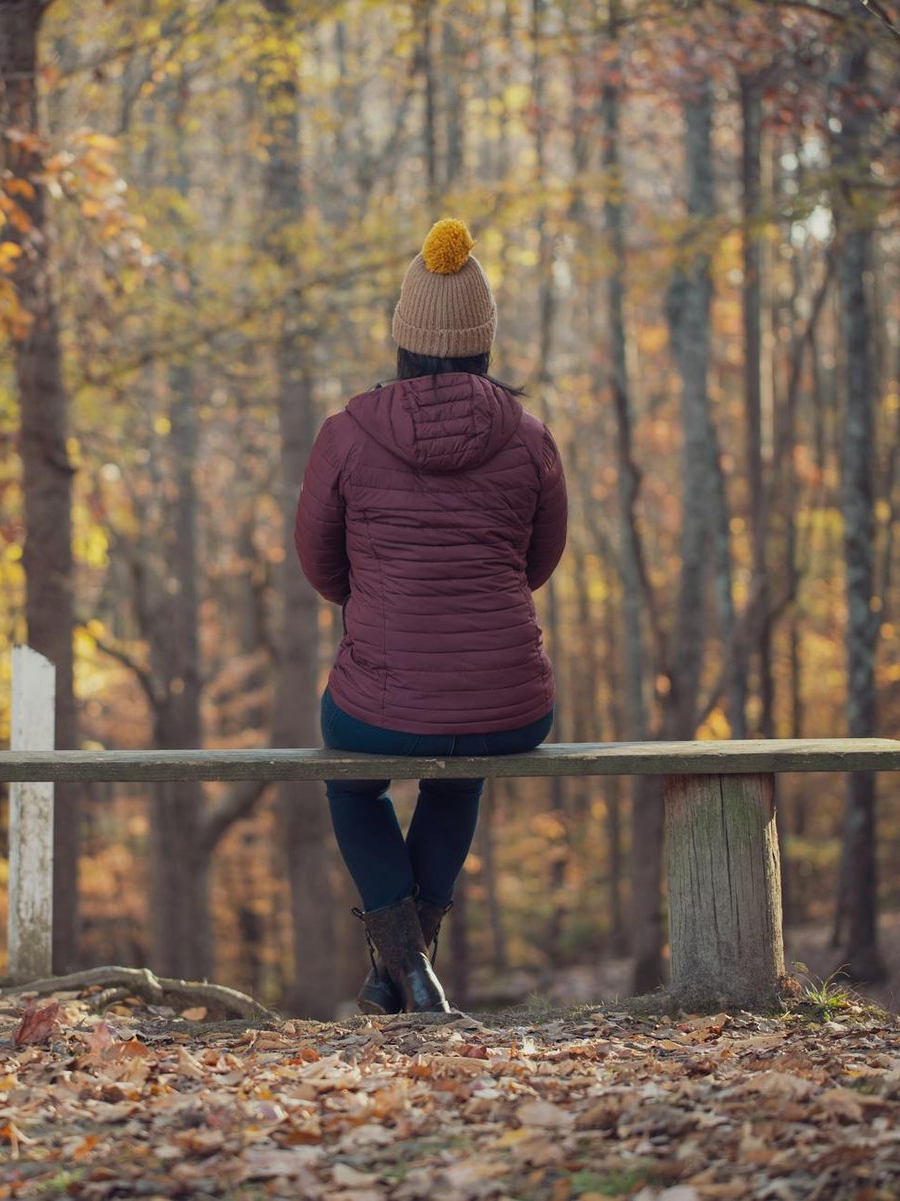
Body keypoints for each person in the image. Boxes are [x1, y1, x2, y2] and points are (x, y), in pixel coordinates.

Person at [292, 217, 569, 1014]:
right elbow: (537, 564)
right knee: (461, 768)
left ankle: (404, 961)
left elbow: (320, 564)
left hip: (380, 701)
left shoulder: (346, 434)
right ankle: (407, 966)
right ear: (484, 342)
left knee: (353, 782)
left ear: (403, 339)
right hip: (509, 704)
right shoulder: (531, 437)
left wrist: (381, 599)